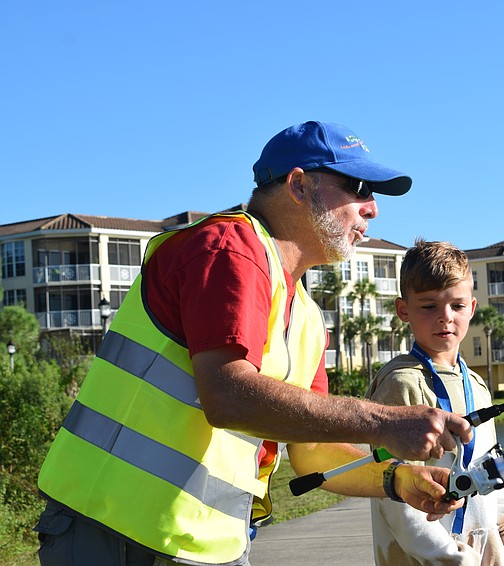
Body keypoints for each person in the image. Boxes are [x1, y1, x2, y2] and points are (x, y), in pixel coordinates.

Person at [34, 121, 473, 566]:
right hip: (117, 531)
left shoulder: (304, 314)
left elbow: (311, 453)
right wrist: (383, 421)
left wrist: (398, 479)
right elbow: (227, 396)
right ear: (298, 185)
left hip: (206, 545)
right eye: (359, 187)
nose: (372, 209)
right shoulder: (227, 247)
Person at [367, 239, 504, 566]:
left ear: (472, 308)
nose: (445, 317)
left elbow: (490, 474)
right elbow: (394, 496)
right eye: (428, 306)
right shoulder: (400, 384)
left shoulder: (477, 386)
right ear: (404, 310)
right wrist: (455, 559)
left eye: (456, 306)